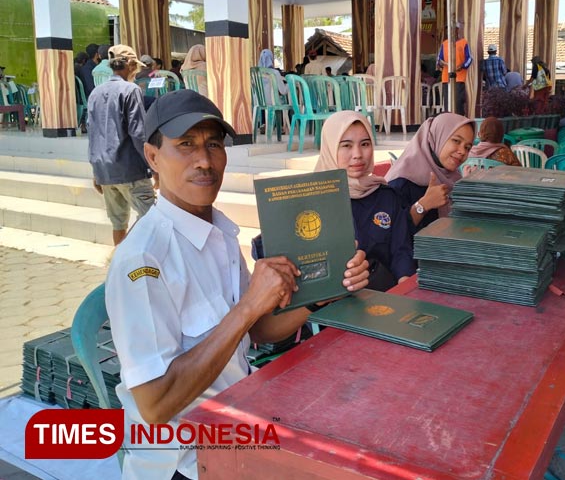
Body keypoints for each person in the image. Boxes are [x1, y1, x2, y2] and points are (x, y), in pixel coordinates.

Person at [105, 89, 369, 479]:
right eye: (186, 145)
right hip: (185, 464)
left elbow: (256, 331)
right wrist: (248, 306)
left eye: (214, 144)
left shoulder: (219, 232)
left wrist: (324, 294)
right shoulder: (144, 260)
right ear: (153, 157)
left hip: (238, 429)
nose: (204, 160)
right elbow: (155, 406)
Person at [315, 111, 415, 291]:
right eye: (346, 145)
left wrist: (404, 286)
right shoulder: (313, 201)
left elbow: (401, 250)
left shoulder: (387, 197)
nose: (358, 154)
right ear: (330, 148)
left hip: (383, 300)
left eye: (365, 144)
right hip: (329, 306)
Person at [87, 45, 155, 246]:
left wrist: (96, 172)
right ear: (132, 65)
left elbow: (93, 136)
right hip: (130, 169)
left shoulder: (95, 93)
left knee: (118, 224)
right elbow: (138, 133)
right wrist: (154, 165)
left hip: (104, 169)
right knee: (152, 217)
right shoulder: (131, 90)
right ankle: (130, 257)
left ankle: (118, 267)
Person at [386, 113, 475, 233]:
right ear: (436, 137)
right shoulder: (401, 182)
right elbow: (388, 233)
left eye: (467, 147)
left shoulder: (452, 178)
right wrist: (424, 205)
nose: (462, 151)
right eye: (456, 141)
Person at [436, 24, 473, 115]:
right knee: (447, 103)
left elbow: (469, 59)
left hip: (459, 78)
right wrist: (442, 63)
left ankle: (459, 122)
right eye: (448, 29)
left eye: (452, 29)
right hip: (446, 77)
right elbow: (439, 60)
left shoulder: (463, 42)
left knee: (458, 102)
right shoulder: (444, 44)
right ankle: (449, 123)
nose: (449, 31)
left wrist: (462, 66)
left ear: (457, 30)